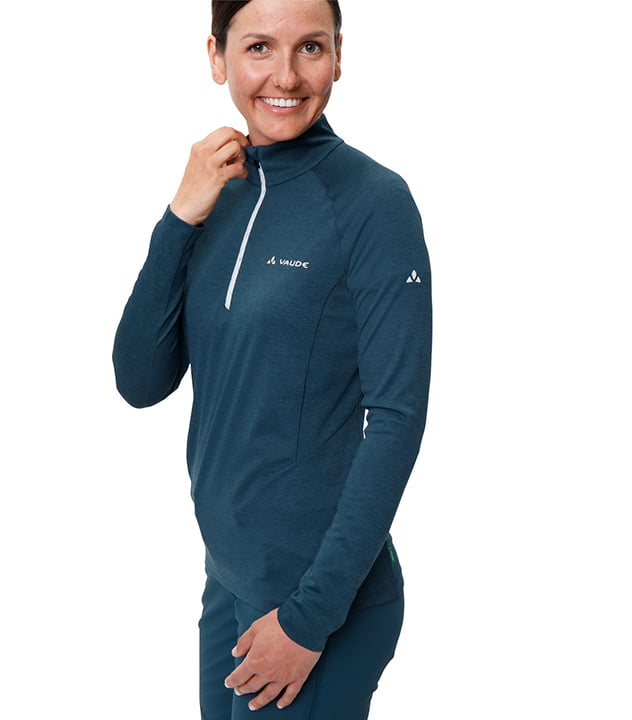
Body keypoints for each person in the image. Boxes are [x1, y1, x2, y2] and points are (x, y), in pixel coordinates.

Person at [112, 0, 432, 717]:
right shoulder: (217, 193)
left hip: (312, 608)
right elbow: (140, 380)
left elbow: (397, 419)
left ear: (339, 57)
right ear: (216, 56)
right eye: (258, 47)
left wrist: (308, 619)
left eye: (310, 47)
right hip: (229, 581)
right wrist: (179, 216)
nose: (285, 76)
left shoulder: (374, 202)